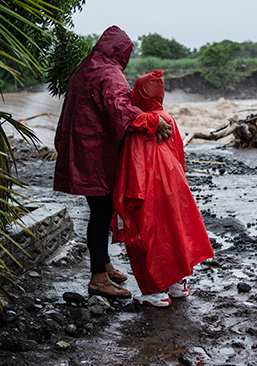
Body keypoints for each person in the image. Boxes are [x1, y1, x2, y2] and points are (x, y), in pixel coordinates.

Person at [53, 26, 172, 299]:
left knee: (100, 210)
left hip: (82, 150)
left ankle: (104, 264)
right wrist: (153, 121)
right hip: (95, 154)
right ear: (121, 51)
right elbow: (120, 109)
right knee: (101, 212)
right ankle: (98, 278)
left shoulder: (88, 67)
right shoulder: (109, 72)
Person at [113, 70, 214, 308]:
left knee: (146, 236)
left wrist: (127, 198)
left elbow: (135, 163)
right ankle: (177, 284)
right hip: (174, 185)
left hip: (149, 188)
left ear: (139, 95)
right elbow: (179, 154)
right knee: (175, 232)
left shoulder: (142, 124)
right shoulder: (167, 118)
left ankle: (155, 292)